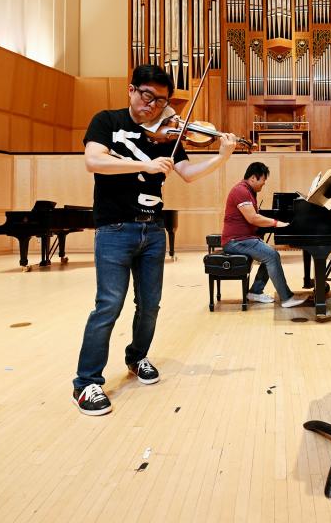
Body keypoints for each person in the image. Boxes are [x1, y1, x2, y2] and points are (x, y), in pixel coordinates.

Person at [72, 64, 237, 416]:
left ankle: (137, 358)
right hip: (114, 228)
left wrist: (222, 156)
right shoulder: (107, 121)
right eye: (148, 96)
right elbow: (94, 161)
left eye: (162, 100)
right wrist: (143, 166)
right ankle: (86, 382)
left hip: (153, 230)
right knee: (109, 305)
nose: (154, 105)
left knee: (150, 305)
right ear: (132, 90)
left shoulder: (169, 134)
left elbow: (188, 174)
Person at [221, 161, 305, 309]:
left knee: (271, 254)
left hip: (243, 239)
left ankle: (255, 291)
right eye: (262, 181)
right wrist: (276, 223)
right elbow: (252, 218)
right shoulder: (241, 191)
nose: (263, 185)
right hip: (236, 241)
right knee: (272, 255)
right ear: (253, 178)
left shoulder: (247, 190)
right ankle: (286, 298)